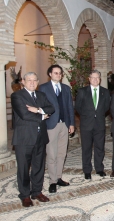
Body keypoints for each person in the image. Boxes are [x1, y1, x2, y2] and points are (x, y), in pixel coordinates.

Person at [11, 72, 55, 207]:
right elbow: (24, 115)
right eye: (29, 80)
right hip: (24, 138)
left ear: (38, 82)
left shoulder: (41, 95)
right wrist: (42, 115)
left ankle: (37, 191)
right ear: (23, 81)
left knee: (38, 166)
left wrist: (37, 110)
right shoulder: (17, 96)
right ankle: (25, 195)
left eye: (34, 80)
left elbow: (51, 108)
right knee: (24, 168)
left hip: (40, 137)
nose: (32, 83)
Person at [39, 65, 75, 193]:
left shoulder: (66, 88)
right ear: (50, 74)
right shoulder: (43, 88)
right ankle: (52, 181)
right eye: (55, 73)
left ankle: (59, 177)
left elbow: (70, 107)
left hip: (64, 124)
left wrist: (71, 124)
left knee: (62, 153)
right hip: (51, 124)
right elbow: (40, 105)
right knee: (52, 154)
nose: (58, 75)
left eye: (60, 73)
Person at [75, 70, 111, 179]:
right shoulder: (82, 91)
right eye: (93, 77)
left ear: (100, 79)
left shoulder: (105, 92)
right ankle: (87, 170)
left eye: (97, 78)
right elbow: (78, 107)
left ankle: (99, 168)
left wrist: (97, 114)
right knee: (86, 148)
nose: (95, 80)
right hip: (86, 124)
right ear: (89, 79)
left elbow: (106, 107)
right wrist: (88, 115)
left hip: (99, 123)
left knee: (100, 147)